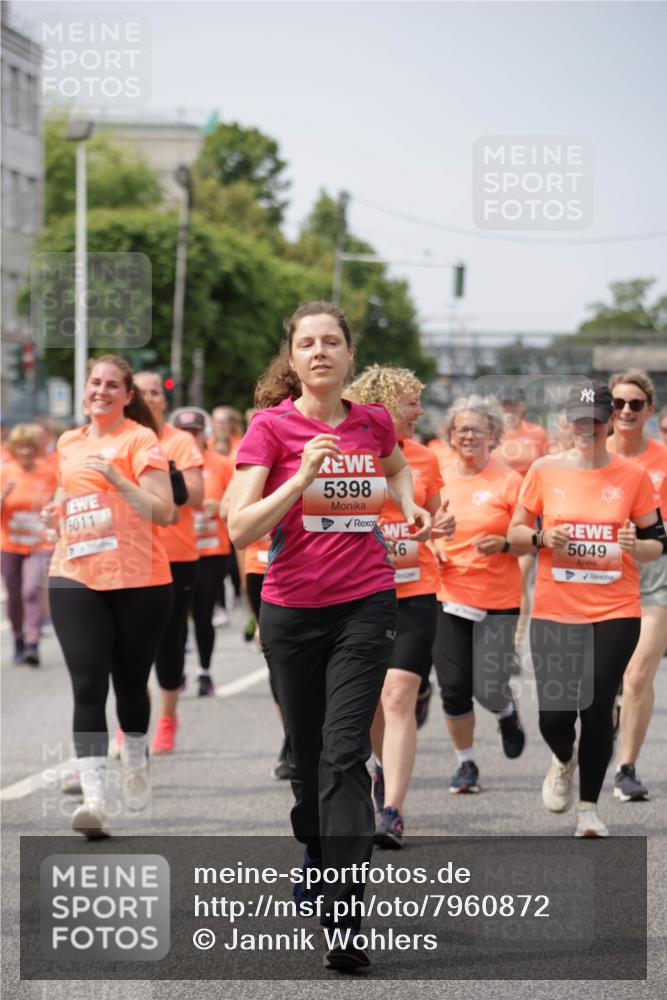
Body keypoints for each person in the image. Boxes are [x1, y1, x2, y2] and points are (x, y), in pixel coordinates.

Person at [227, 300, 431, 971]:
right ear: (292, 358)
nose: (319, 352)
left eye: (331, 342)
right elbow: (239, 527)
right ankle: (316, 854)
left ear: (348, 355)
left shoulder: (372, 421)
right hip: (290, 612)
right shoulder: (269, 428)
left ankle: (346, 919)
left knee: (344, 757)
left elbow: (395, 466)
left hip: (365, 605)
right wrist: (301, 479)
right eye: (306, 343)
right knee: (307, 763)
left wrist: (408, 504)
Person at [508, 379, 664, 837]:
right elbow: (515, 534)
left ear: (609, 421)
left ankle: (589, 809)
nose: (586, 427)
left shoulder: (633, 476)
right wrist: (541, 537)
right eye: (579, 419)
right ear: (567, 421)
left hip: (615, 608)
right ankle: (563, 758)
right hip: (556, 608)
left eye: (595, 420)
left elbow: (657, 543)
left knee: (596, 707)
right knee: (554, 716)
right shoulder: (544, 470)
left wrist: (635, 545)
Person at [44, 355, 174, 837]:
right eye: (95, 382)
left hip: (140, 579)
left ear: (127, 396)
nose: (101, 390)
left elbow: (163, 512)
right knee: (87, 684)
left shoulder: (140, 440)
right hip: (75, 573)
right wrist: (55, 511)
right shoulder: (68, 442)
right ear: (85, 390)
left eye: (112, 385)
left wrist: (118, 478)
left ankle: (136, 754)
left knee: (131, 685)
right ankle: (95, 800)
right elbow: (67, 493)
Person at [346, 364, 451, 848]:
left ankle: (392, 811)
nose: (420, 412)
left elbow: (439, 515)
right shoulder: (352, 452)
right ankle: (382, 767)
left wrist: (442, 527)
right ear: (386, 405)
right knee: (371, 701)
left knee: (397, 696)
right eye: (412, 403)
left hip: (415, 589)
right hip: (361, 591)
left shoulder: (426, 457)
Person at [432, 395, 526, 794]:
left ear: (493, 435)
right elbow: (419, 526)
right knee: (453, 687)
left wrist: (504, 544)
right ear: (451, 435)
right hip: (447, 594)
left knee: (488, 687)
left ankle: (505, 711)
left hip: (498, 599)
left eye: (477, 429)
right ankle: (466, 763)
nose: (468, 436)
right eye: (461, 429)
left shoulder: (510, 481)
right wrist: (431, 547)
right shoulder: (438, 478)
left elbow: (529, 539)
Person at [133, 373, 204, 753]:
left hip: (176, 554)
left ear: (163, 400)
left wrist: (169, 477)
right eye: (140, 392)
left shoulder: (180, 440)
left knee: (169, 640)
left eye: (154, 392)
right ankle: (132, 719)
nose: (148, 398)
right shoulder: (121, 439)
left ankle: (166, 718)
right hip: (129, 554)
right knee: (128, 644)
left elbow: (198, 496)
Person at [607, 370, 667, 800]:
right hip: (600, 577)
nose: (625, 411)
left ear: (649, 411)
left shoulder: (664, 459)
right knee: (604, 679)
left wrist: (649, 539)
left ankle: (625, 768)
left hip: (655, 574)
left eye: (635, 404)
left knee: (638, 673)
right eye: (617, 403)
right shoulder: (590, 456)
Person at [172, 408, 234, 696]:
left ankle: (204, 672)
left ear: (203, 434)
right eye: (184, 433)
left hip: (212, 551)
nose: (189, 438)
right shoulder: (167, 463)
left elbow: (239, 500)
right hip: (179, 551)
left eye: (194, 432)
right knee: (177, 617)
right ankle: (177, 673)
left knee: (203, 614)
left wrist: (220, 506)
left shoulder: (221, 464)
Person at [1, 424, 57, 665]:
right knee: (14, 597)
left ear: (36, 449)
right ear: (13, 449)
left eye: (29, 447)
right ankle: (18, 639)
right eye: (20, 447)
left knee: (31, 591)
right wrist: (3, 496)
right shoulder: (5, 472)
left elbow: (59, 505)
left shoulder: (49, 473)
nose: (25, 451)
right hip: (10, 545)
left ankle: (33, 642)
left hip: (39, 545)